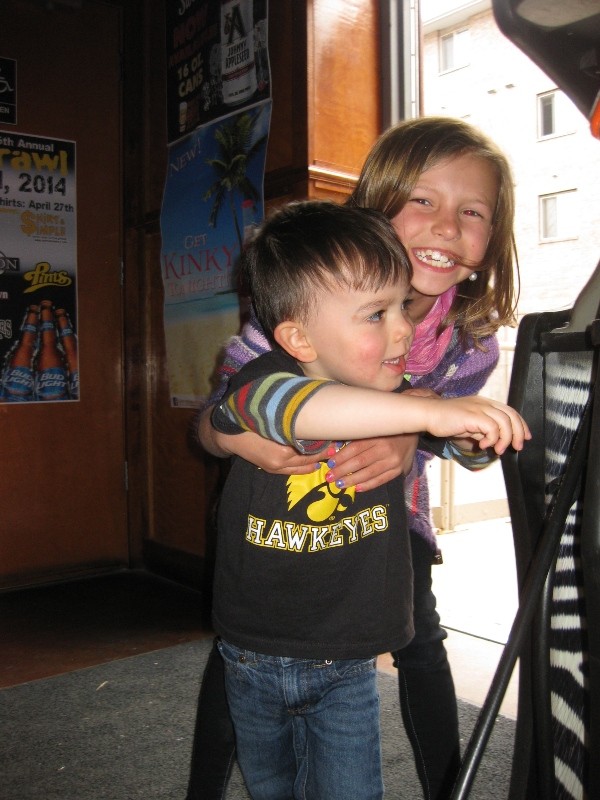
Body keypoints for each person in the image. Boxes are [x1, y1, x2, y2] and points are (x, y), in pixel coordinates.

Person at [186, 116, 520, 800]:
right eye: (422, 200)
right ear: (376, 209)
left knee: (420, 640)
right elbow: (231, 407)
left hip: (388, 518)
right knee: (244, 653)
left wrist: (430, 432)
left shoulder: (470, 341)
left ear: (493, 238)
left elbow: (463, 445)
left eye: (473, 212)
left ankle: (447, 785)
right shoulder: (310, 294)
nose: (446, 226)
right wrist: (227, 435)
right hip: (276, 523)